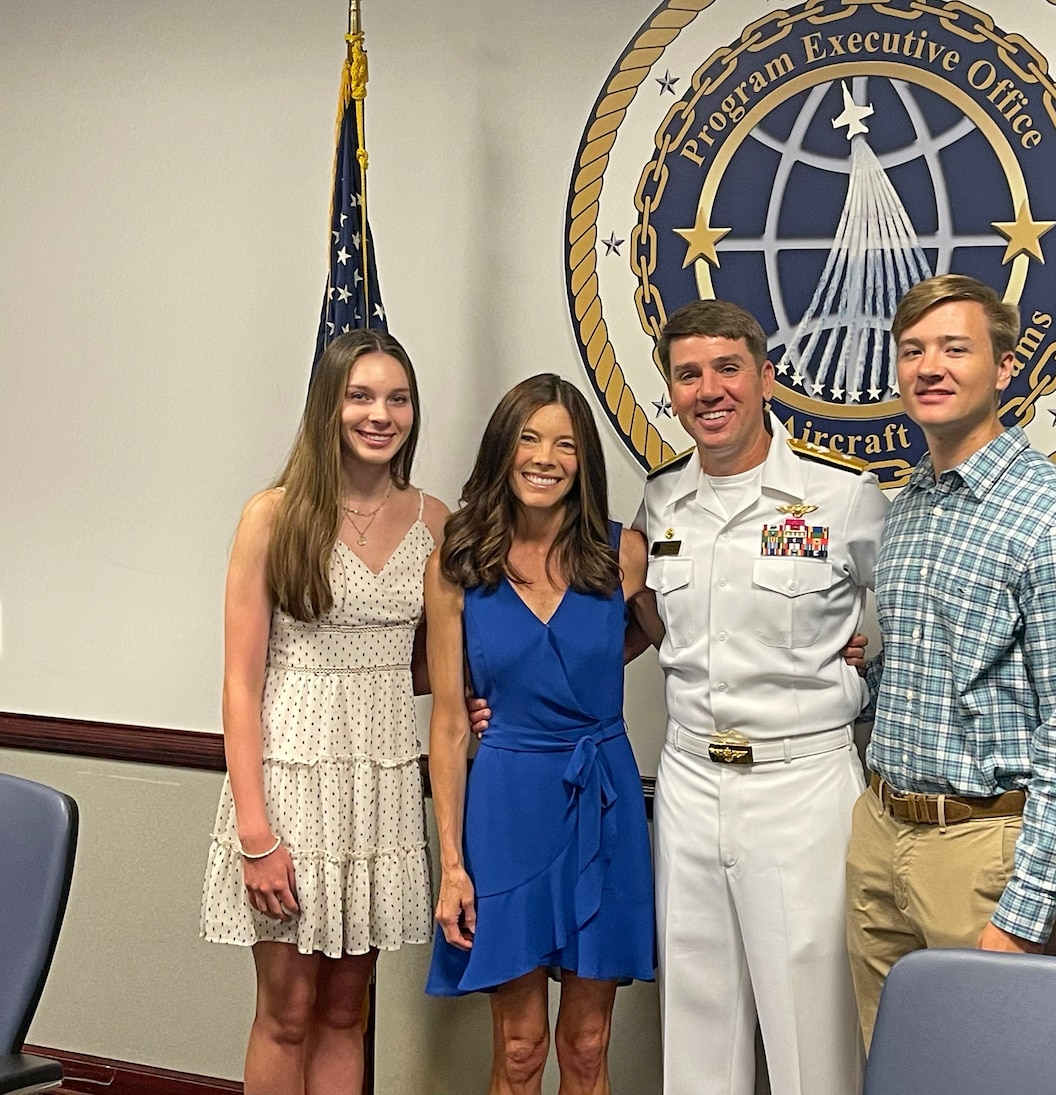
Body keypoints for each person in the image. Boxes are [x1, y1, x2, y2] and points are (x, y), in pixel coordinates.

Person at [845, 273, 1056, 1047]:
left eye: (954, 348)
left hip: (982, 855)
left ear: (1004, 368)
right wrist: (856, 671)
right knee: (892, 1066)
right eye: (912, 351)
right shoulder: (908, 509)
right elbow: (921, 674)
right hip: (881, 833)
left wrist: (1025, 914)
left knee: (986, 1071)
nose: (929, 366)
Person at [636, 300, 887, 1095]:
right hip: (688, 779)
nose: (709, 389)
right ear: (671, 391)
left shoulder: (841, 498)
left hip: (800, 783)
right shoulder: (662, 500)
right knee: (696, 1018)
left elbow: (911, 615)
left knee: (813, 1034)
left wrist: (869, 654)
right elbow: (655, 623)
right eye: (688, 374)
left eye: (726, 368)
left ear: (765, 377)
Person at [200, 329, 448, 1094]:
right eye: (361, 395)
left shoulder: (435, 519)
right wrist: (254, 833)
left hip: (380, 791)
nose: (382, 413)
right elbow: (240, 683)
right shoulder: (273, 516)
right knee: (288, 1012)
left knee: (348, 1014)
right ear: (328, 405)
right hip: (289, 788)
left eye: (397, 397)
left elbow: (429, 663)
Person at [425, 373, 656, 1095]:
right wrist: (453, 863)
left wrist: (832, 645)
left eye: (564, 442)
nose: (544, 457)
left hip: (604, 801)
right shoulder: (458, 562)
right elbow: (449, 717)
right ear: (503, 449)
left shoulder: (626, 555)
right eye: (528, 438)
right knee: (520, 1047)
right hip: (506, 804)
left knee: (586, 1045)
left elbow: (699, 643)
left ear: (584, 459)